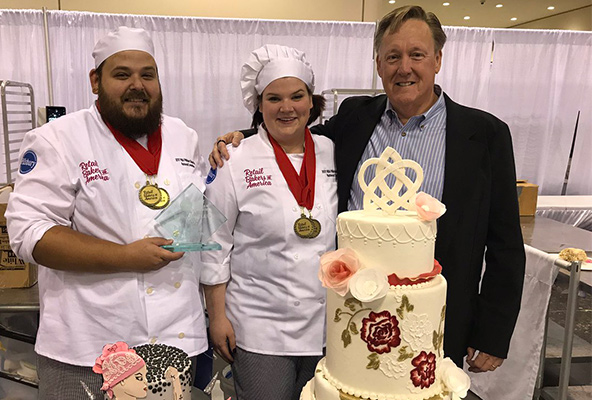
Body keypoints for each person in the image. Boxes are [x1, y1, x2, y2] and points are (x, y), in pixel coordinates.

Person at [209, 5, 525, 374]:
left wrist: (493, 332)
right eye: (392, 56)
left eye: (416, 55)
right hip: (352, 317)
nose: (403, 67)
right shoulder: (355, 118)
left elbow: (504, 243)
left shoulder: (484, 134)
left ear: (438, 59)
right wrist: (243, 139)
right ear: (378, 64)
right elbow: (296, 137)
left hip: (436, 319)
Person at [6, 26, 217, 399]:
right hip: (90, 345)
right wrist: (125, 256)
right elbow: (29, 233)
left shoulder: (184, 136)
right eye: (122, 74)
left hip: (178, 337)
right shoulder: (59, 139)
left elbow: (198, 208)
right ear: (95, 81)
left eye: (147, 74)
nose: (137, 84)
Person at [201, 44, 337, 400]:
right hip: (259, 326)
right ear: (259, 105)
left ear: (312, 101)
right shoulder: (233, 158)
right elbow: (214, 244)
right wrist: (217, 317)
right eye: (274, 98)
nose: (286, 107)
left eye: (297, 96)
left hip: (329, 325)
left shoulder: (333, 150)